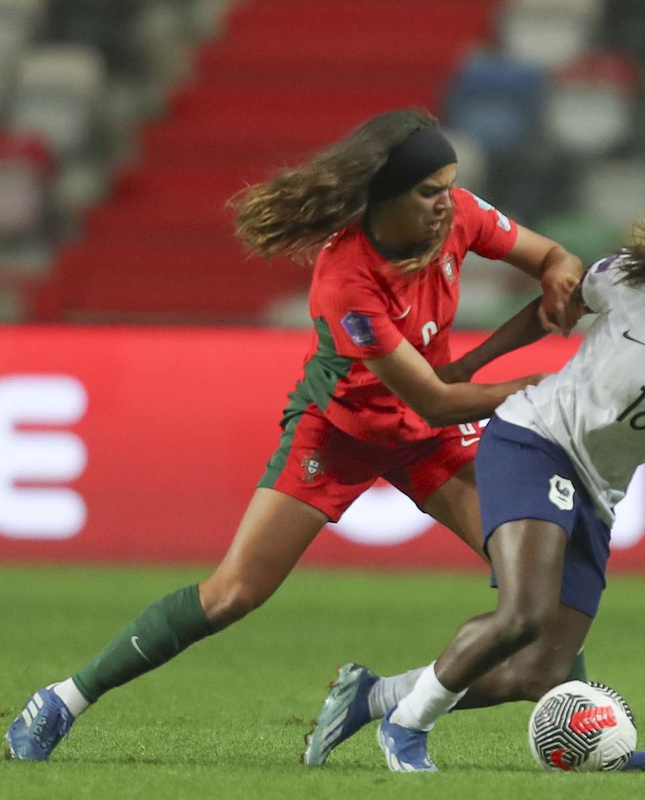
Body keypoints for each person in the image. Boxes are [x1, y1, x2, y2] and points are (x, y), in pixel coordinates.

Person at [5, 108, 591, 764]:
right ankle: (61, 700)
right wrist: (533, 389)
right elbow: (430, 395)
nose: (444, 204)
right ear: (385, 194)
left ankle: (571, 728)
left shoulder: (460, 214)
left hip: (428, 433)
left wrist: (563, 274)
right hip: (340, 432)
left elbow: (550, 256)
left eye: (448, 187)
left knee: (544, 578)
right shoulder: (345, 278)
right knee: (233, 592)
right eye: (429, 191)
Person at [317, 217, 645, 773]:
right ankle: (407, 729)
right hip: (536, 441)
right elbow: (554, 308)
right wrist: (468, 367)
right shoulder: (643, 283)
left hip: (600, 492)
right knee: (523, 616)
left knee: (539, 674)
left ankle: (372, 697)